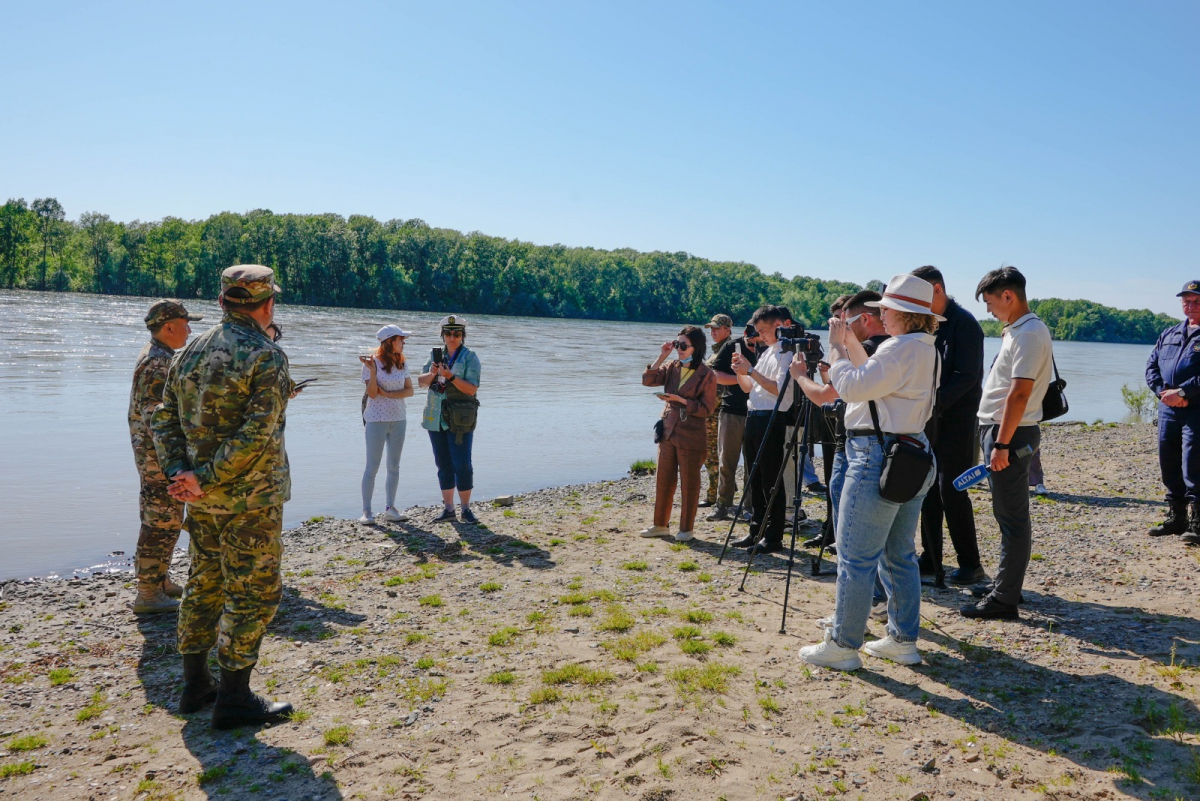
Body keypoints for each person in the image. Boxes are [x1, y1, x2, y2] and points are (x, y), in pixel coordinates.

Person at [151, 265, 293, 727]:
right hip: (249, 502)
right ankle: (233, 699)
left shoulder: (189, 349)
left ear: (222, 302)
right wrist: (204, 476)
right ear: (267, 304)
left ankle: (195, 687)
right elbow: (256, 435)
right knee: (252, 595)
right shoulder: (265, 355)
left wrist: (181, 473)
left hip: (203, 500)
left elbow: (163, 419)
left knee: (203, 587)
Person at [797, 274, 941, 670]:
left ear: (899, 314)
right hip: (910, 453)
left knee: (854, 558)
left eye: (884, 311)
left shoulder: (898, 348)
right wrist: (850, 343)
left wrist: (836, 349)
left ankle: (843, 645)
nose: (880, 316)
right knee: (900, 554)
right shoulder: (924, 348)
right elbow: (875, 380)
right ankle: (902, 639)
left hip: (875, 456)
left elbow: (854, 388)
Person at [962, 266, 1055, 620]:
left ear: (1008, 296)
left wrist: (1000, 445)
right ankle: (1006, 585)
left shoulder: (1029, 333)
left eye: (990, 302)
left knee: (1013, 518)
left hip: (1010, 434)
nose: (988, 310)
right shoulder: (1015, 331)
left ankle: (1004, 600)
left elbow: (1019, 394)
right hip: (1002, 431)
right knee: (1006, 515)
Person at [910, 266, 986, 587]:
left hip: (957, 421)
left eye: (921, 294)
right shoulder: (928, 325)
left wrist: (932, 402)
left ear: (937, 289)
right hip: (930, 420)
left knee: (952, 490)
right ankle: (931, 557)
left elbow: (967, 377)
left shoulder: (965, 324)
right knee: (927, 488)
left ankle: (971, 564)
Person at [128, 299, 203, 615]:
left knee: (170, 520)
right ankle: (147, 593)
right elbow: (156, 420)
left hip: (159, 458)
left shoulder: (162, 358)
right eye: (186, 324)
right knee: (159, 522)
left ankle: (159, 582)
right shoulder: (158, 364)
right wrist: (175, 462)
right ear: (169, 326)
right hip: (158, 459)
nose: (189, 330)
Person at [640, 326, 718, 541]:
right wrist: (661, 355)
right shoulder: (671, 366)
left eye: (683, 345)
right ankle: (660, 525)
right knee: (663, 480)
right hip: (667, 430)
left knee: (689, 483)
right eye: (677, 344)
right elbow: (647, 381)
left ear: (696, 347)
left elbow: (707, 409)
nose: (679, 349)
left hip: (692, 435)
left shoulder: (707, 374)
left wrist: (682, 401)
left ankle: (686, 530)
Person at [730, 305, 797, 553]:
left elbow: (780, 390)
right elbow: (749, 388)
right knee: (754, 476)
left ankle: (774, 535)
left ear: (779, 325)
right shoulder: (768, 351)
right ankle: (756, 530)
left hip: (772, 417)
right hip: (755, 415)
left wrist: (750, 370)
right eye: (758, 331)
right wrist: (741, 372)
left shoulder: (787, 353)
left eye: (764, 331)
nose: (761, 336)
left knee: (770, 478)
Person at [1146, 280, 1200, 544]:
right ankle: (1177, 517)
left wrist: (1183, 393)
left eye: (1196, 301)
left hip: (1196, 409)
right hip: (1168, 409)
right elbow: (1151, 366)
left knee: (1194, 464)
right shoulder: (1169, 333)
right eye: (1186, 301)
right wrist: (1163, 394)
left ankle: (1197, 522)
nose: (1190, 305)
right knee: (1168, 462)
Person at [418, 315, 481, 524]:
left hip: (459, 418)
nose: (452, 338)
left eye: (457, 334)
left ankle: (466, 509)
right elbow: (420, 382)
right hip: (435, 417)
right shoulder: (435, 355)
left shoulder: (470, 357)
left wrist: (451, 376)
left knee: (462, 464)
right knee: (442, 464)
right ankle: (448, 509)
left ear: (463, 335)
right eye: (448, 334)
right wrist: (433, 373)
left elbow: (472, 389)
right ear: (443, 335)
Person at [358, 325, 415, 524]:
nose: (404, 342)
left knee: (394, 466)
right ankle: (367, 512)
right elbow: (372, 393)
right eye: (401, 339)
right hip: (376, 420)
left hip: (399, 419)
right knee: (372, 466)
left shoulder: (402, 362)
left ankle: (390, 508)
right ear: (390, 341)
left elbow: (410, 391)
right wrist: (373, 372)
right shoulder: (370, 363)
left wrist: (390, 395)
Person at [705, 315, 757, 521]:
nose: (758, 340)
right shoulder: (732, 346)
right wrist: (742, 378)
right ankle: (722, 505)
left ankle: (750, 506)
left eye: (762, 335)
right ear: (745, 333)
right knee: (726, 461)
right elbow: (714, 374)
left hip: (758, 411)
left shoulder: (768, 348)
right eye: (754, 335)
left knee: (752, 463)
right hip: (731, 410)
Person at [699, 315, 733, 509]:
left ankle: (714, 496)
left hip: (717, 410)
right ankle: (726, 489)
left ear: (727, 330)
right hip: (713, 409)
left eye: (716, 329)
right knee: (716, 453)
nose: (713, 332)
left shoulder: (727, 351)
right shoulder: (717, 351)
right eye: (711, 329)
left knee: (712, 454)